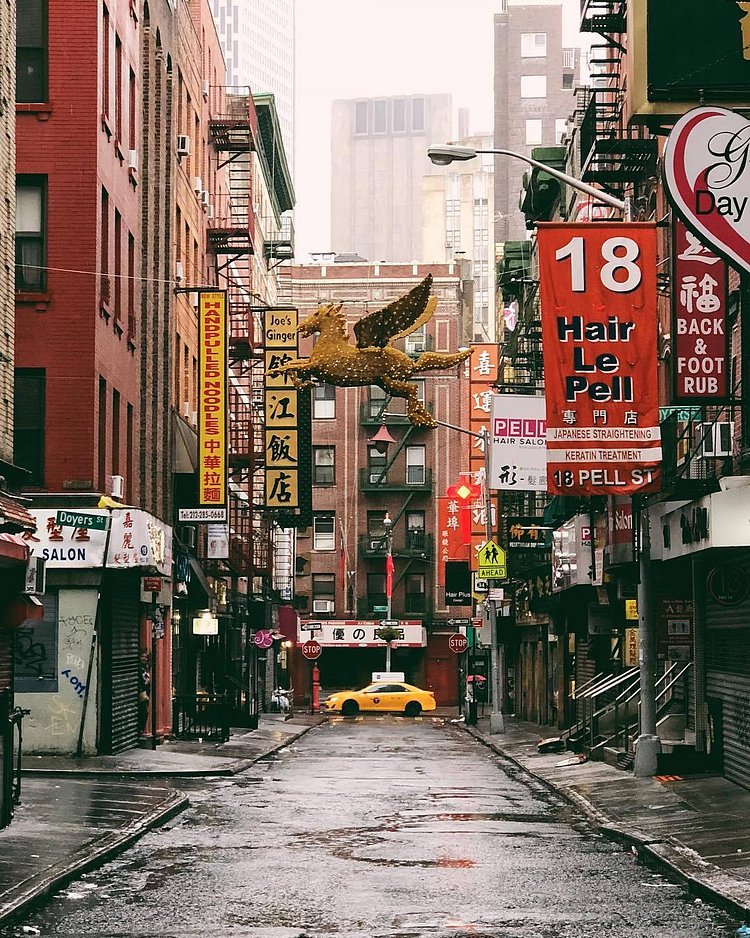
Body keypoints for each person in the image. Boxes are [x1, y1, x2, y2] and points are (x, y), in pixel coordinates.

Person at [138, 651, 151, 735]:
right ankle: (140, 730)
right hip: (141, 693)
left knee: (144, 712)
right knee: (144, 712)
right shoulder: (139, 669)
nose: (144, 659)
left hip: (146, 693)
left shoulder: (145, 668)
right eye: (142, 657)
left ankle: (141, 730)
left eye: (145, 657)